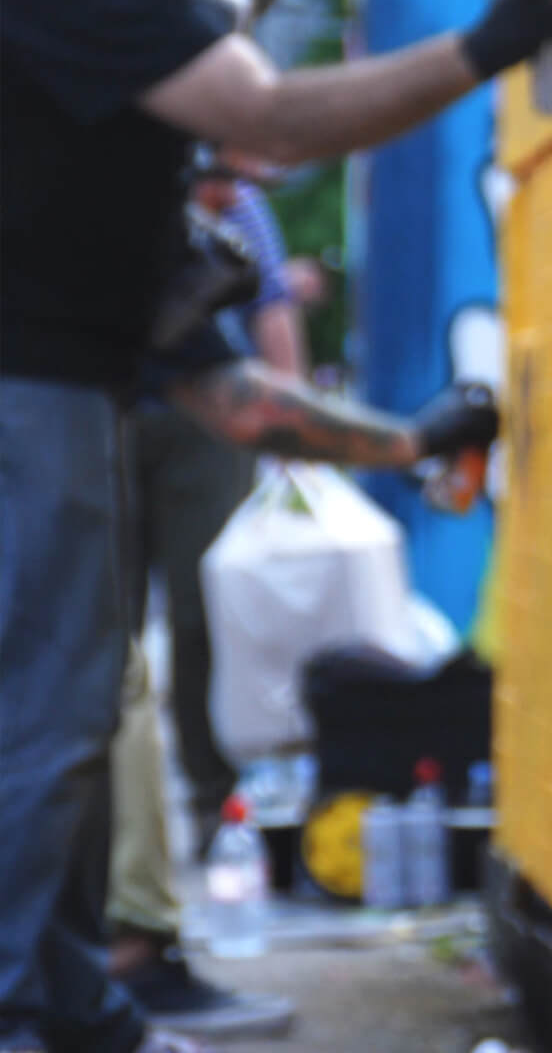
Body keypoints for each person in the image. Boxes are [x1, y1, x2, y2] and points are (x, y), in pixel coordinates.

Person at [0, 0, 552, 1049]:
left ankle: (65, 1000)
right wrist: (486, 45)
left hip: (58, 381)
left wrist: (416, 440)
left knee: (75, 716)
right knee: (44, 719)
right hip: (22, 392)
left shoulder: (111, 166)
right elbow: (266, 116)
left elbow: (236, 395)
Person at [104, 148, 308, 1042]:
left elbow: (267, 327)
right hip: (92, 421)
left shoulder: (222, 217)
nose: (235, 184)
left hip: (179, 420)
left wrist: (296, 431)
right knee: (105, 663)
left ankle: (217, 815)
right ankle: (123, 948)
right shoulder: (116, 167)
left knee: (186, 629)